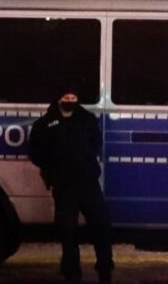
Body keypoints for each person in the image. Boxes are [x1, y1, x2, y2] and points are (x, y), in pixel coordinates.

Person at [28, 86, 114, 284]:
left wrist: (84, 160)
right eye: (66, 96)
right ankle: (71, 274)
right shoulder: (45, 123)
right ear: (59, 98)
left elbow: (96, 143)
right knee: (67, 232)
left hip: (88, 183)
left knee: (101, 226)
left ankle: (105, 271)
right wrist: (52, 168)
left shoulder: (86, 119)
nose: (70, 99)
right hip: (63, 186)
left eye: (73, 96)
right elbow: (35, 151)